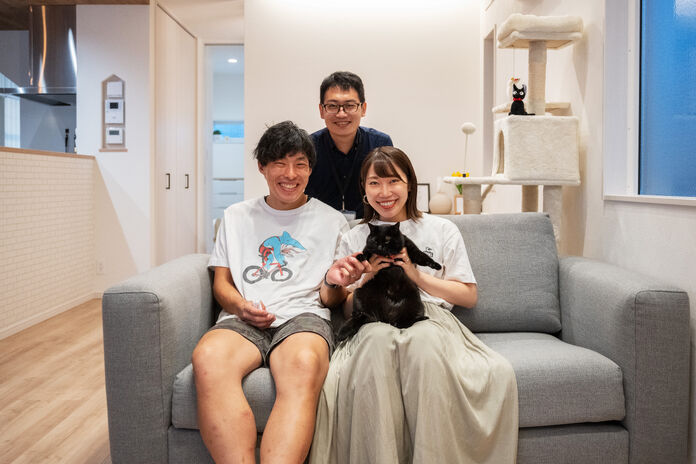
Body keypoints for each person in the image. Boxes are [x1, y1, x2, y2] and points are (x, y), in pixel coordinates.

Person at [310, 146, 519, 463]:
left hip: (425, 316)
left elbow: (468, 295)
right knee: (375, 345)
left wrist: (415, 275)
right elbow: (347, 308)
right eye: (375, 183)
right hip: (373, 318)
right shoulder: (354, 236)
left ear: (410, 184)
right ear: (364, 190)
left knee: (424, 346)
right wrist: (365, 279)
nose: (385, 193)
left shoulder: (442, 229)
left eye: (393, 181)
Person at [192, 121, 349, 464]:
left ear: (310, 169)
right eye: (279, 163)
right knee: (208, 358)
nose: (290, 174)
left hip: (305, 316)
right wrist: (241, 307)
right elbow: (222, 283)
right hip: (242, 317)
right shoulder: (235, 216)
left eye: (300, 164)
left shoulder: (332, 221)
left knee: (303, 363)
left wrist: (334, 283)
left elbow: (333, 299)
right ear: (262, 167)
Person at [306, 71, 393, 220]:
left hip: (369, 226)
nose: (341, 114)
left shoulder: (380, 144)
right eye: (332, 106)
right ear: (321, 110)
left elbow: (389, 190)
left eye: (350, 105)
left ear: (363, 109)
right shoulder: (308, 147)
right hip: (319, 226)